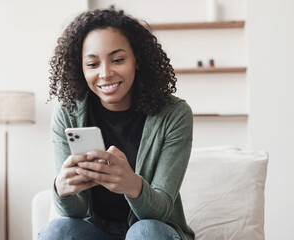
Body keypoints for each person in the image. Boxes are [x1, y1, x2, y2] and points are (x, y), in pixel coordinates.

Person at [39, 7, 195, 240]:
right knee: (58, 230)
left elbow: (161, 210)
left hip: (151, 230)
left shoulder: (174, 114)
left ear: (137, 60)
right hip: (95, 229)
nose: (105, 73)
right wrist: (62, 191)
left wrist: (132, 185)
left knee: (146, 232)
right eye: (92, 64)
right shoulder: (68, 112)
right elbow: (74, 213)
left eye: (118, 60)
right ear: (80, 68)